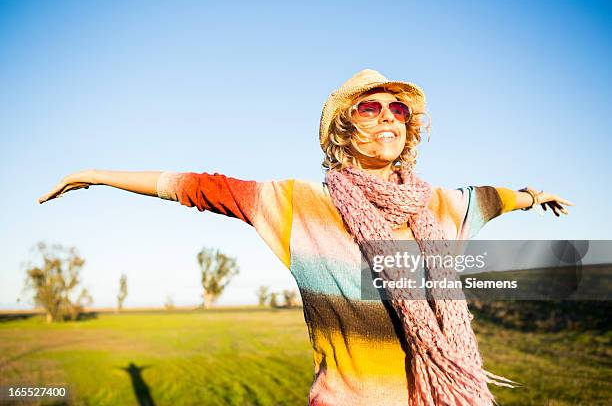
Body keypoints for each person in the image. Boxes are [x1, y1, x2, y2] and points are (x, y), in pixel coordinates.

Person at [38, 69, 573, 405]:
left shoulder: (443, 206)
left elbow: (494, 197)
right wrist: (95, 175)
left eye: (399, 110)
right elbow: (198, 187)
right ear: (344, 128)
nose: (388, 117)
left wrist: (533, 194)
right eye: (370, 107)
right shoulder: (300, 206)